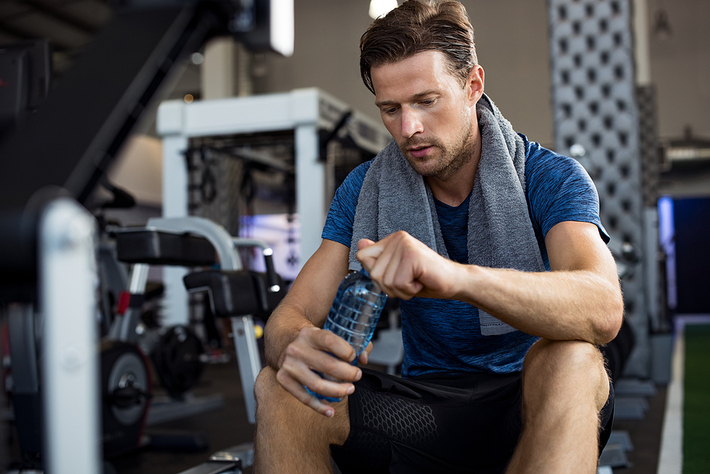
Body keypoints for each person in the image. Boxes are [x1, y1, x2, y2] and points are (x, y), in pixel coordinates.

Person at [253, 1, 624, 473]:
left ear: (473, 85)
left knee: (574, 360)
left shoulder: (549, 177)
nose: (408, 129)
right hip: (425, 408)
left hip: (527, 400)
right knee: (278, 387)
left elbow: (603, 307)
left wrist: (455, 278)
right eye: (391, 109)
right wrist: (296, 345)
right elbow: (291, 315)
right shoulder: (366, 187)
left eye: (426, 101)